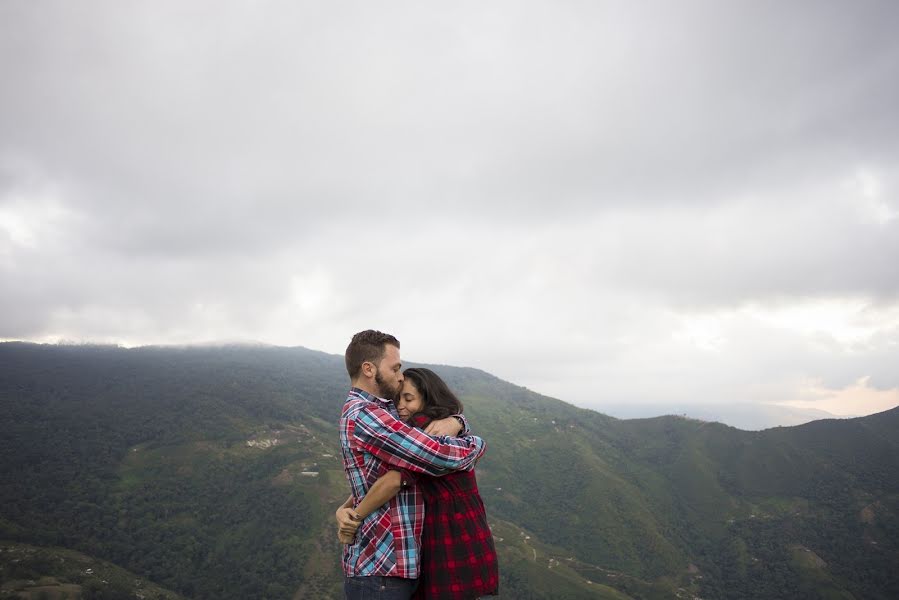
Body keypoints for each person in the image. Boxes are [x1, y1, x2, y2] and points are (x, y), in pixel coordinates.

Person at [339, 330, 486, 600]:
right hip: (380, 571)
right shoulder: (365, 415)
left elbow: (378, 476)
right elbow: (434, 456)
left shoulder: (385, 410)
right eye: (394, 368)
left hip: (399, 568)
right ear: (369, 369)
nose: (399, 375)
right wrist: (476, 446)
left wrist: (458, 422)